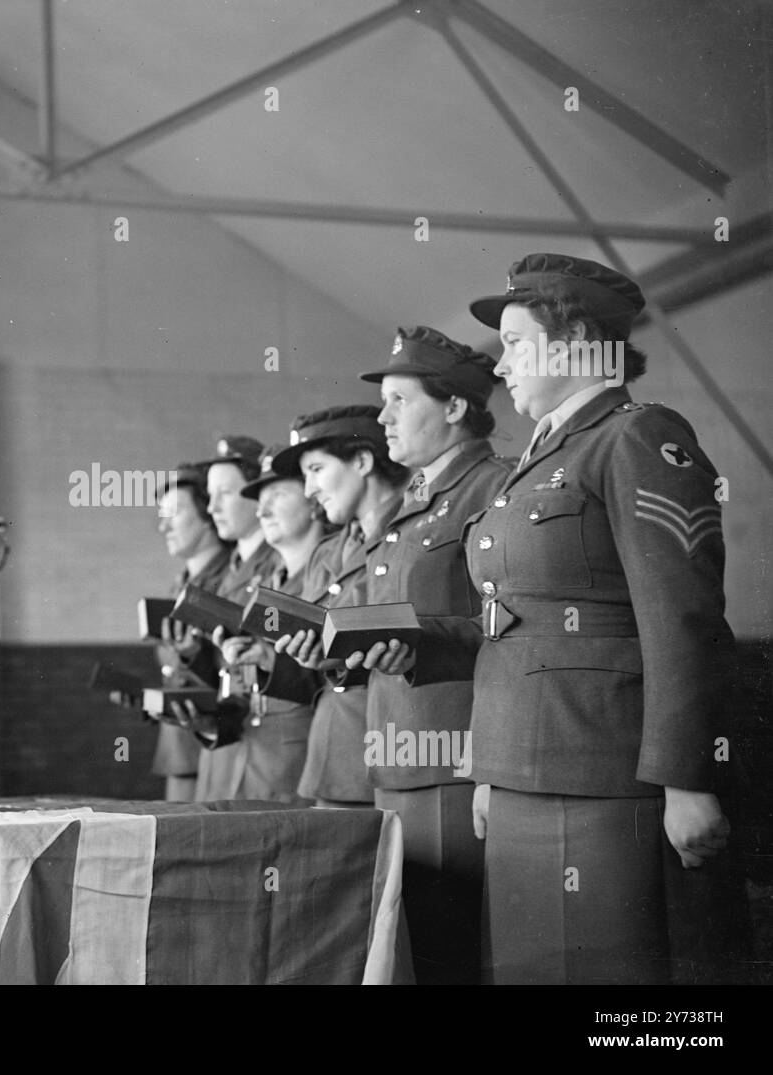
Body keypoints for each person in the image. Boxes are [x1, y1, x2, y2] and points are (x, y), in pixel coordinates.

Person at [464, 252, 749, 984]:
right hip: (523, 773)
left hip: (604, 774)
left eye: (516, 344)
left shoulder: (638, 437)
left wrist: (687, 779)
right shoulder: (537, 456)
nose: (501, 367)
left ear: (579, 340)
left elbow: (681, 618)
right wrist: (491, 769)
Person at [343, 326, 512, 983]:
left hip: (452, 762)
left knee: (453, 955)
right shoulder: (414, 500)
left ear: (454, 407)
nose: (382, 417)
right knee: (411, 954)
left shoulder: (491, 489)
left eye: (398, 399)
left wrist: (416, 641)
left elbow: (508, 625)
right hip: (395, 762)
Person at [270, 406, 409, 808]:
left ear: (362, 461)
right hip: (328, 759)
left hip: (388, 756)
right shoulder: (326, 553)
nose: (310, 489)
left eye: (316, 469)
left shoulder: (413, 536)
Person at [206, 447, 326, 802]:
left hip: (301, 761)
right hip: (255, 753)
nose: (261, 510)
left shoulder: (328, 577)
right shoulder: (269, 582)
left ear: (313, 500)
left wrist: (267, 659)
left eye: (276, 495)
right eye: (259, 499)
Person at [177, 436, 279, 802]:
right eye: (209, 495)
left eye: (225, 493)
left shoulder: (279, 562)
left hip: (267, 739)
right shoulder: (226, 571)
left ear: (256, 495)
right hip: (229, 729)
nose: (212, 507)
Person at [149, 463, 232, 801]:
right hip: (181, 744)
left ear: (206, 513)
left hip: (219, 742)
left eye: (175, 512)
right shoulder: (181, 583)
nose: (163, 524)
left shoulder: (229, 579)